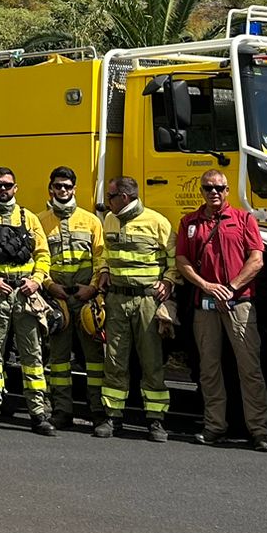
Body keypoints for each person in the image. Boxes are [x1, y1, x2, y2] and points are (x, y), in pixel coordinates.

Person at [175, 169, 267, 451]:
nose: (213, 193)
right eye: (208, 188)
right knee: (209, 369)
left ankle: (260, 430)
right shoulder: (189, 222)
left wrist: (230, 288)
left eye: (219, 188)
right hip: (204, 304)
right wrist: (206, 286)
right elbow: (182, 260)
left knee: (250, 368)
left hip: (239, 302)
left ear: (228, 190)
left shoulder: (244, 219)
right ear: (201, 191)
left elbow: (256, 260)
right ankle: (214, 426)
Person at [0, 167, 54, 437]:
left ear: (16, 187)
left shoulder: (30, 218)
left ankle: (38, 414)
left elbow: (43, 255)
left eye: (7, 185)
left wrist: (37, 280)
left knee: (33, 355)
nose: (2, 190)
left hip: (26, 295)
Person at [98, 176, 176, 440]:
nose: (106, 201)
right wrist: (105, 270)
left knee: (151, 361)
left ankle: (155, 421)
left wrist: (168, 281)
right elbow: (105, 254)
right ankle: (112, 418)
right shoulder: (109, 219)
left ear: (125, 197)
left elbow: (175, 258)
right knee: (114, 360)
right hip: (117, 300)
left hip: (147, 301)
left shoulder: (157, 222)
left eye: (110, 197)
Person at [39, 166, 106, 431]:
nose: (63, 190)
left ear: (74, 189)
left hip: (86, 299)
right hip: (57, 300)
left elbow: (100, 258)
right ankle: (62, 411)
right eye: (58, 186)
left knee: (94, 359)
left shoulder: (91, 221)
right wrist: (48, 285)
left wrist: (92, 288)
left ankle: (98, 412)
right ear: (51, 188)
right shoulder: (40, 220)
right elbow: (37, 259)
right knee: (58, 359)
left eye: (67, 186)